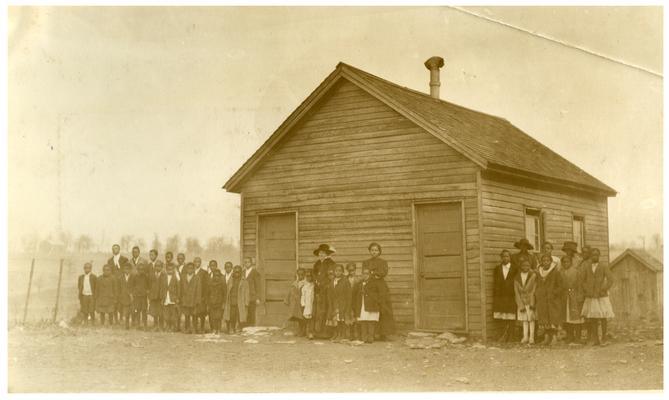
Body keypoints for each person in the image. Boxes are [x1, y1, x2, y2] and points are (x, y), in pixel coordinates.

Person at [580, 248, 614, 345]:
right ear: (590, 256)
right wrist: (586, 289)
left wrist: (604, 289)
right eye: (593, 255)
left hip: (601, 296)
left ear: (599, 256)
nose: (595, 257)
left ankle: (604, 337)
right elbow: (582, 280)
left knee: (603, 317)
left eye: (597, 255)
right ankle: (595, 339)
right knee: (593, 317)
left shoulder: (603, 266)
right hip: (591, 296)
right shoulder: (587, 267)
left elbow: (611, 279)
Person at [363, 242, 395, 340]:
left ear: (379, 251)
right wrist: (374, 274)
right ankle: (372, 334)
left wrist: (373, 272)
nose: (374, 252)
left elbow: (383, 273)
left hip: (381, 288)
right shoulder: (366, 262)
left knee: (383, 309)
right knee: (372, 309)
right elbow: (365, 273)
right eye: (372, 250)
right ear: (369, 251)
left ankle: (383, 334)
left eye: (376, 250)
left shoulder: (383, 262)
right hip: (370, 287)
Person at [535, 253, 564, 346]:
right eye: (544, 261)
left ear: (551, 262)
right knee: (545, 318)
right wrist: (538, 293)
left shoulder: (555, 272)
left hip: (553, 300)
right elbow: (537, 285)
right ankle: (547, 337)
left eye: (547, 261)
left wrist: (554, 293)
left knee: (553, 318)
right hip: (543, 299)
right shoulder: (539, 272)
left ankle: (554, 338)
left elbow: (560, 286)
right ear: (541, 262)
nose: (545, 262)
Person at [492, 250, 517, 342]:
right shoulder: (497, 268)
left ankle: (511, 336)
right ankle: (503, 335)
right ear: (501, 258)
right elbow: (496, 283)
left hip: (511, 295)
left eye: (507, 256)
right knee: (502, 315)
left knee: (511, 315)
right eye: (503, 256)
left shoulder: (515, 268)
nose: (505, 258)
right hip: (501, 295)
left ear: (510, 258)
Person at [312, 244, 337, 337]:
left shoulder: (331, 263)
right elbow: (314, 273)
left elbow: (331, 276)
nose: (321, 255)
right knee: (318, 309)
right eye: (320, 253)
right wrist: (316, 281)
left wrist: (325, 284)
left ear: (327, 254)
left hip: (327, 289)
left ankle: (327, 332)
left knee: (326, 308)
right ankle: (318, 331)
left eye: (323, 253)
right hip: (318, 289)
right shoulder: (317, 263)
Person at [559, 255, 584, 344]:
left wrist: (580, 296)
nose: (566, 263)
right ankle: (570, 336)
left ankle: (578, 337)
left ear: (571, 262)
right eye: (564, 262)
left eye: (568, 262)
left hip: (574, 295)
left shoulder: (576, 272)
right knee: (567, 317)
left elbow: (580, 285)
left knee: (576, 317)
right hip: (565, 296)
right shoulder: (560, 272)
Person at [353, 267, 381, 344]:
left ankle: (370, 337)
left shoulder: (374, 283)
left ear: (369, 274)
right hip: (362, 304)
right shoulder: (359, 284)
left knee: (371, 321)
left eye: (367, 274)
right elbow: (354, 294)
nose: (365, 275)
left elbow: (378, 294)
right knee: (363, 321)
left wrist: (367, 293)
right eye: (363, 274)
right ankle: (364, 337)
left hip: (371, 304)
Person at [514, 257, 537, 345]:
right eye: (523, 265)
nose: (525, 267)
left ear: (530, 266)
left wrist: (532, 302)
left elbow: (534, 290)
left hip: (530, 299)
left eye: (527, 265)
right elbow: (516, 291)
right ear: (520, 266)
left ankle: (531, 337)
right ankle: (525, 336)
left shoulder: (533, 276)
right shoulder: (517, 277)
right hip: (522, 301)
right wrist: (520, 304)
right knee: (524, 319)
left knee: (531, 319)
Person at [327, 264, 353, 341]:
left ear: (342, 272)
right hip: (334, 303)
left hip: (343, 303)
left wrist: (347, 307)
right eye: (336, 271)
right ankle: (336, 334)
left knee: (341, 319)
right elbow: (330, 294)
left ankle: (341, 335)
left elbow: (349, 295)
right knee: (335, 319)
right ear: (334, 272)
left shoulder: (345, 281)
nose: (338, 272)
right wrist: (331, 304)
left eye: (339, 271)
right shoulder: (332, 281)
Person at [224, 265, 249, 334]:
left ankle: (239, 327)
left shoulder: (244, 281)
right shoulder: (230, 280)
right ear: (233, 272)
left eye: (238, 272)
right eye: (235, 272)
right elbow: (227, 290)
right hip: (232, 300)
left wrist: (246, 302)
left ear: (240, 273)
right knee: (232, 315)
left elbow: (247, 292)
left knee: (239, 315)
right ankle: (232, 327)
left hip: (240, 301)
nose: (237, 274)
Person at [106, 244, 128, 324]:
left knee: (122, 300)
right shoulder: (110, 260)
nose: (115, 250)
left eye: (116, 248)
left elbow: (126, 270)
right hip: (113, 284)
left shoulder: (124, 259)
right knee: (114, 300)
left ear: (119, 249)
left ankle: (122, 317)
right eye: (113, 249)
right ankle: (115, 318)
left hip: (122, 283)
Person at [180, 262, 201, 334]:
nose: (190, 270)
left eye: (191, 268)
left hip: (193, 300)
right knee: (187, 315)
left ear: (194, 269)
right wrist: (181, 298)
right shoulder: (183, 277)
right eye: (188, 268)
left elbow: (198, 290)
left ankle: (194, 328)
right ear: (186, 269)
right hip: (185, 299)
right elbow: (181, 288)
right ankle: (187, 328)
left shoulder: (197, 277)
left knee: (194, 315)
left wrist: (198, 300)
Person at [160, 263, 180, 332]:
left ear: (173, 270)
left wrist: (177, 298)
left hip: (173, 298)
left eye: (171, 269)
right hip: (166, 298)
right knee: (166, 314)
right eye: (168, 269)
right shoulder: (164, 277)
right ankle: (168, 326)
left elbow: (178, 289)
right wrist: (162, 298)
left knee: (173, 314)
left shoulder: (175, 278)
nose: (169, 271)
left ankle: (173, 326)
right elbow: (162, 288)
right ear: (166, 270)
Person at [284, 268, 305, 336]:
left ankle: (303, 330)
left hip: (302, 302)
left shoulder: (305, 283)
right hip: (295, 302)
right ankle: (300, 329)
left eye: (302, 274)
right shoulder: (295, 282)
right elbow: (290, 291)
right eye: (299, 274)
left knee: (303, 316)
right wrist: (286, 299)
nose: (300, 276)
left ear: (304, 275)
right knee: (298, 316)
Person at [147, 254, 165, 331]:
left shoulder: (164, 275)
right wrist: (150, 295)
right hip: (153, 296)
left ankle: (161, 326)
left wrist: (163, 297)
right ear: (154, 267)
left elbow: (165, 287)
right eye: (156, 266)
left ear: (162, 267)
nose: (157, 268)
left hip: (161, 296)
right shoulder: (151, 275)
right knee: (154, 312)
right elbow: (149, 285)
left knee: (161, 311)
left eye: (159, 266)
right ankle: (155, 325)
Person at [130, 262, 150, 330]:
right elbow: (132, 286)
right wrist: (133, 294)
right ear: (137, 270)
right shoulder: (135, 277)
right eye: (139, 269)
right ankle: (138, 324)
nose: (141, 271)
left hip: (144, 297)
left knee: (144, 311)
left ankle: (145, 324)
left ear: (144, 270)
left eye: (142, 269)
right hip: (137, 297)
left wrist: (147, 291)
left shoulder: (146, 277)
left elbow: (148, 286)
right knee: (137, 310)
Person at [208, 268, 227, 334]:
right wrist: (208, 303)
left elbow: (225, 294)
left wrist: (224, 303)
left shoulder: (222, 284)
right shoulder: (210, 284)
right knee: (212, 317)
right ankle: (214, 329)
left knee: (218, 317)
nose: (216, 277)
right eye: (215, 276)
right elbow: (208, 294)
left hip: (219, 302)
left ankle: (218, 329)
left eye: (218, 276)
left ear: (220, 276)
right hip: (212, 302)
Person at [244, 257, 261, 327]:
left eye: (248, 262)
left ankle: (251, 326)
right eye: (245, 262)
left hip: (252, 295)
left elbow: (258, 286)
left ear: (251, 263)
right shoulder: (243, 272)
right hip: (245, 296)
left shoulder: (255, 272)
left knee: (252, 311)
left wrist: (257, 298)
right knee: (245, 311)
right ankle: (245, 326)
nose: (246, 263)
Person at [193, 257, 209, 333]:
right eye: (195, 262)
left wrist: (204, 296)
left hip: (201, 296)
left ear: (200, 263)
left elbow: (206, 286)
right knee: (194, 312)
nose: (197, 263)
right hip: (193, 296)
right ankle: (195, 327)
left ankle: (202, 327)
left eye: (198, 262)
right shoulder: (191, 271)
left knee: (202, 312)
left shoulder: (204, 272)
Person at [116, 262, 133, 330]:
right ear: (123, 269)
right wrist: (119, 295)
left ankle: (130, 323)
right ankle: (125, 322)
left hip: (130, 296)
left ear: (130, 269)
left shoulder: (133, 277)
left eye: (128, 269)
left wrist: (132, 294)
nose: (127, 270)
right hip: (123, 296)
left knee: (130, 310)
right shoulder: (120, 278)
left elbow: (134, 286)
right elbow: (118, 288)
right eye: (125, 269)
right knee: (123, 310)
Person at [301, 270, 316, 339]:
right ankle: (308, 332)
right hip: (307, 304)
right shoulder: (304, 286)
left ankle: (312, 332)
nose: (309, 278)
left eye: (310, 276)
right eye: (307, 276)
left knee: (313, 318)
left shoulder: (314, 285)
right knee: (307, 319)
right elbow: (303, 295)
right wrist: (303, 304)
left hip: (313, 304)